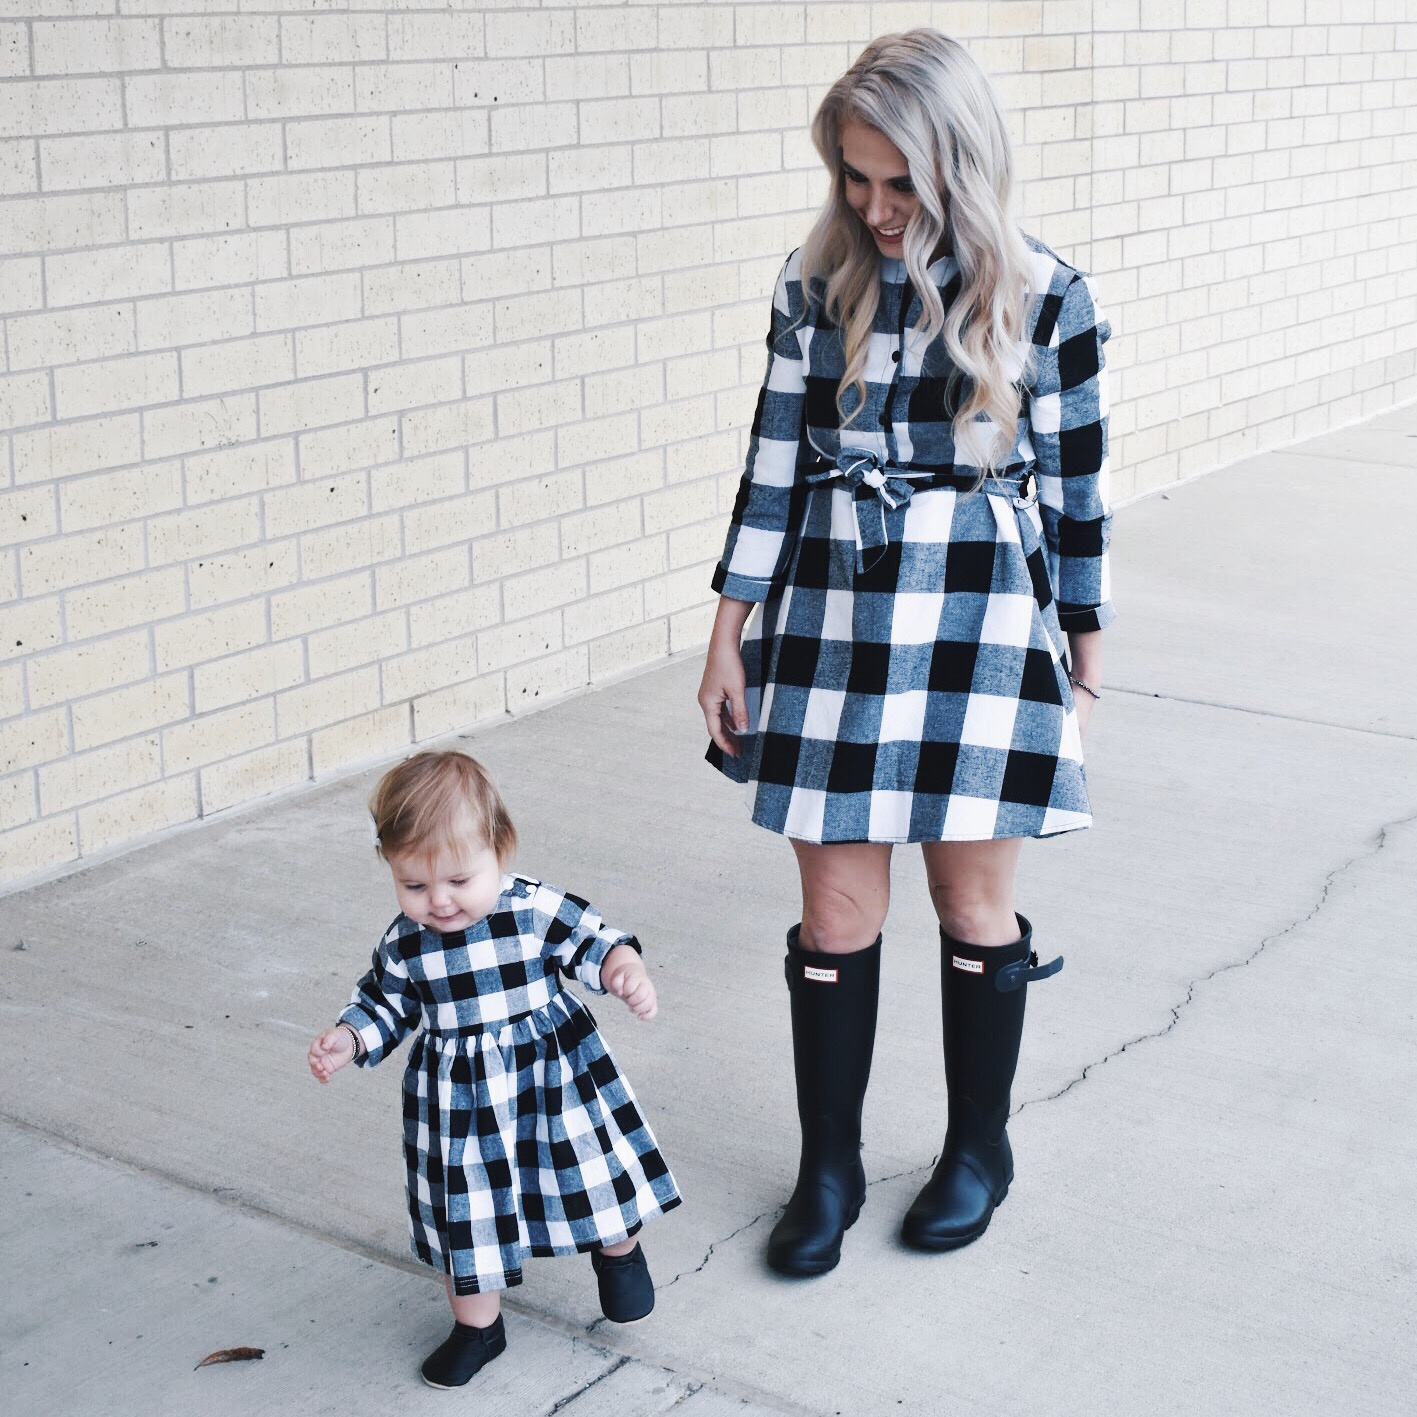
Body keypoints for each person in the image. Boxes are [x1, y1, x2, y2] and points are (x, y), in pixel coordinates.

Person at [697, 29, 1113, 1278]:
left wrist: (1079, 658)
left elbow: (1079, 495)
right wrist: (728, 631)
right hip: (832, 608)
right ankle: (826, 1169)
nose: (874, 209)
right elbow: (770, 468)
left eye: (898, 183)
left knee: (969, 901)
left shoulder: (1048, 295)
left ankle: (974, 1152)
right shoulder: (813, 286)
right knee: (835, 911)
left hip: (982, 614)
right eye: (853, 179)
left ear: (959, 168)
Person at [308, 750, 681, 1387]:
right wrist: (351, 1036)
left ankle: (619, 1255)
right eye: (414, 885)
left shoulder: (530, 909)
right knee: (465, 1211)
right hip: (459, 1101)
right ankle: (478, 1328)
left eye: (458, 879)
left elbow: (593, 937)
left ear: (499, 848)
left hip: (553, 1077)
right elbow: (386, 1003)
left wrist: (622, 969)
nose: (439, 901)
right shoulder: (405, 942)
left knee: (588, 1171)